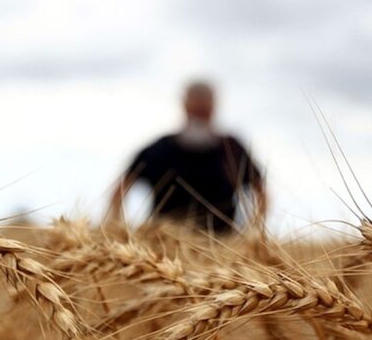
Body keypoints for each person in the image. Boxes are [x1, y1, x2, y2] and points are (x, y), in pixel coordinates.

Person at [109, 81, 266, 232]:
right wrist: (119, 230)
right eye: (196, 108)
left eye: (204, 108)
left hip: (221, 248)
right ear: (184, 105)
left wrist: (251, 233)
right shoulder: (159, 150)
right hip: (163, 249)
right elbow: (121, 189)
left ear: (214, 107)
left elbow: (261, 192)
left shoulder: (232, 149)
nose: (199, 112)